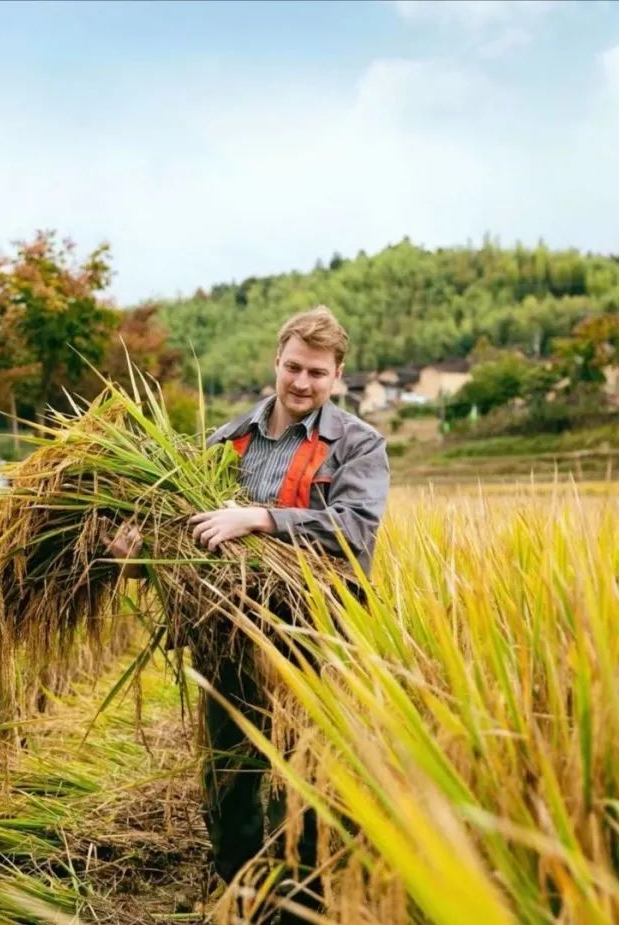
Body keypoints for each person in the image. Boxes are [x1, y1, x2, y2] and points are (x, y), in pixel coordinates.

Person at [186, 306, 390, 922]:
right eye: (294, 367)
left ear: (338, 375)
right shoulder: (225, 441)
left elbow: (356, 528)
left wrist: (260, 517)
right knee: (231, 766)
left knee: (305, 768)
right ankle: (241, 895)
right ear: (276, 361)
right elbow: (185, 529)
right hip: (226, 628)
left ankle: (304, 903)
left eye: (318, 373)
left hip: (313, 631)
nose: (302, 382)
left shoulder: (358, 443)